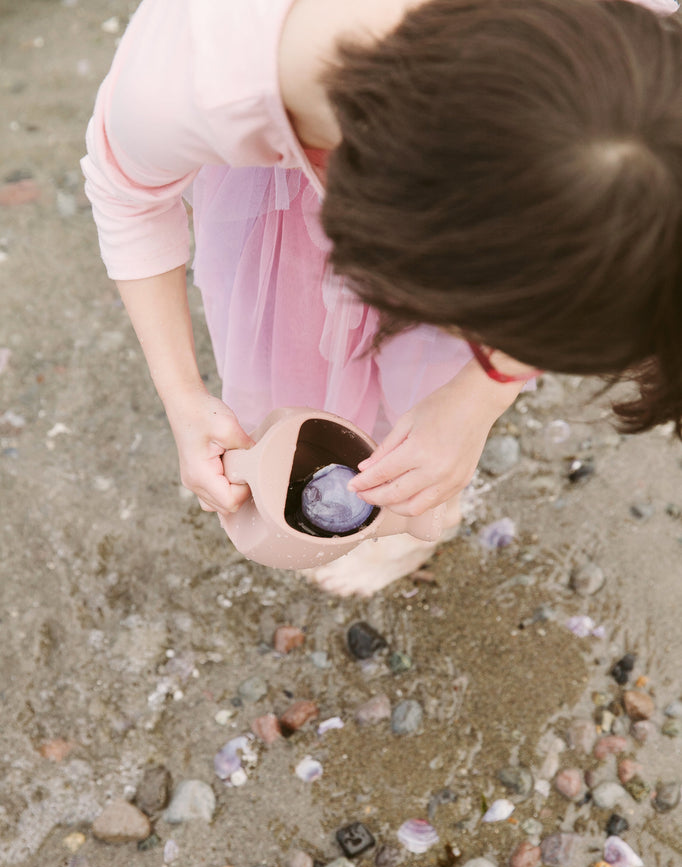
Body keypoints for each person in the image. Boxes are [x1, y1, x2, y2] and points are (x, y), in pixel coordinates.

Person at [82, 0, 682, 596]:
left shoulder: (630, 56)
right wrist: (184, 398)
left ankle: (403, 498)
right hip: (291, 198)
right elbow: (127, 195)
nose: (500, 351)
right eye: (490, 334)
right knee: (295, 361)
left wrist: (476, 400)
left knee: (429, 393)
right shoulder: (199, 74)